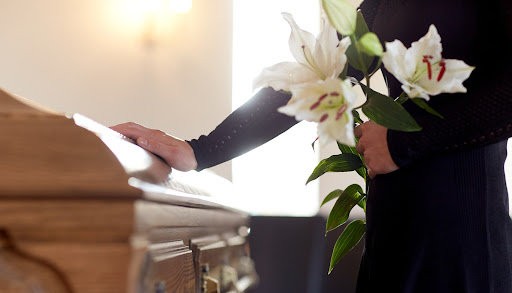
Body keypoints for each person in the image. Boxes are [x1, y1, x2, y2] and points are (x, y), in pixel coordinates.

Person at [112, 0, 512, 292]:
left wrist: (408, 142)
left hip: (462, 231)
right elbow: (314, 75)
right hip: (393, 226)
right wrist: (201, 150)